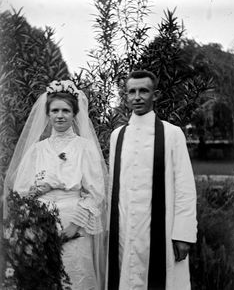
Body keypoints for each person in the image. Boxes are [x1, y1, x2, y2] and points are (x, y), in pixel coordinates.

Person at [4, 80, 108, 290]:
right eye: (55, 110)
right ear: (48, 114)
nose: (60, 115)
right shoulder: (37, 150)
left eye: (66, 110)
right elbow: (21, 192)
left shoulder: (84, 148)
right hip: (40, 226)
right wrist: (37, 199)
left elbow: (95, 192)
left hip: (74, 224)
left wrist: (74, 227)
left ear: (74, 114)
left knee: (74, 274)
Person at [107, 70, 197, 290]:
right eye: (132, 92)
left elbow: (185, 186)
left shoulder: (172, 134)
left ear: (154, 95)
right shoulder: (117, 136)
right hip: (126, 229)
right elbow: (113, 187)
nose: (137, 97)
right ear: (125, 96)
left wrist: (183, 235)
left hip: (161, 231)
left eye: (143, 91)